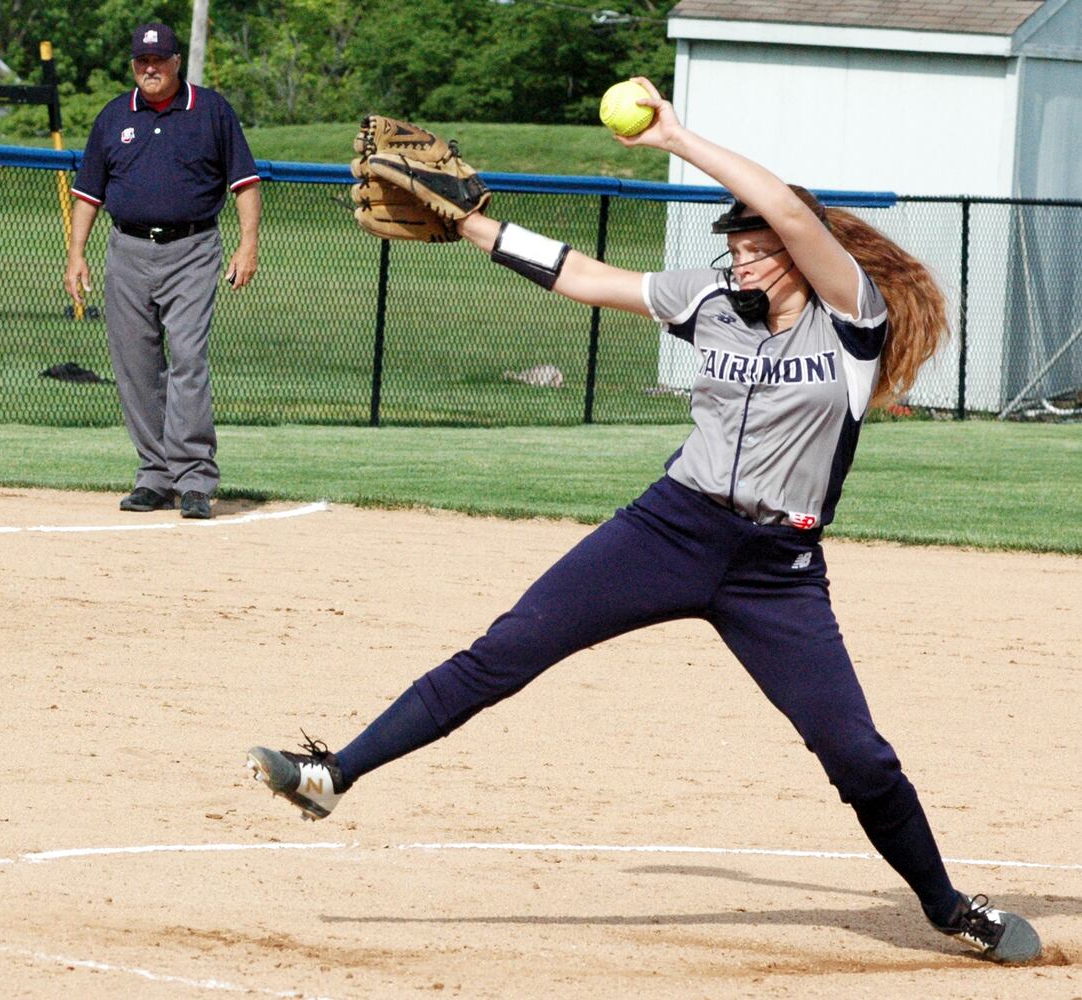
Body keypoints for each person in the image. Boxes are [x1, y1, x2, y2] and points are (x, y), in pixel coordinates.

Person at [247, 78, 1041, 964]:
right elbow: (582, 277)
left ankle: (947, 909)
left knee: (855, 755)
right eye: (732, 246)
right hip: (668, 528)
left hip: (774, 571)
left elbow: (781, 201)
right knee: (505, 651)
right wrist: (471, 225)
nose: (736, 259)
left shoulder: (853, 321)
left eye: (749, 246)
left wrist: (675, 137)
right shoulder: (708, 302)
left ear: (791, 250)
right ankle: (331, 773)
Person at [63, 22, 261, 520]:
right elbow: (88, 193)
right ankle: (155, 475)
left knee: (189, 359)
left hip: (193, 247)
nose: (149, 69)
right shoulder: (114, 116)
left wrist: (248, 246)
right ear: (134, 65)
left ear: (176, 62)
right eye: (141, 61)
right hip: (127, 248)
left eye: (159, 60)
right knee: (135, 367)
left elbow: (245, 184)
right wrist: (76, 255)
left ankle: (195, 478)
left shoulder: (210, 110)